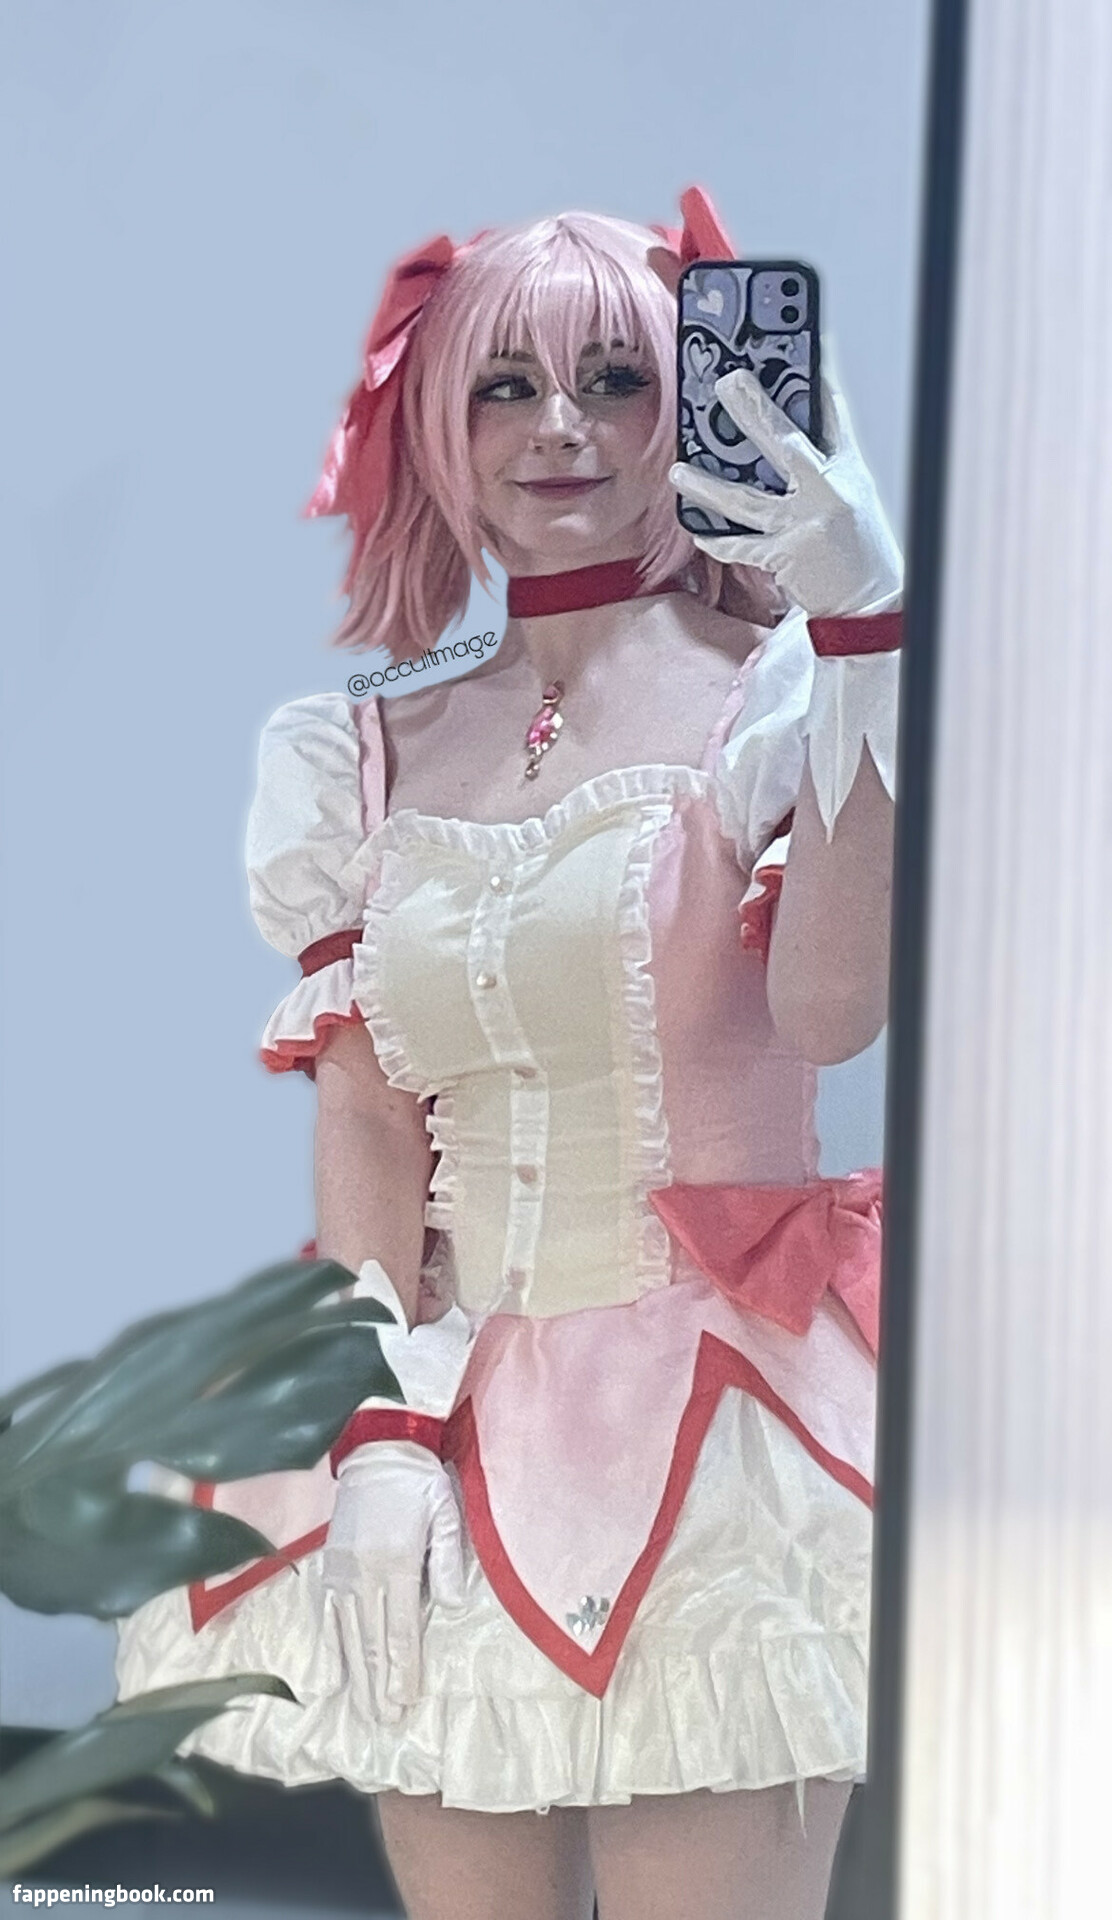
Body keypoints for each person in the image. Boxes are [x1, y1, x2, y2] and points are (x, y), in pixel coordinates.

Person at [116, 187, 901, 1920]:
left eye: (618, 380)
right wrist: (381, 1426)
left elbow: (834, 1012)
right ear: (440, 423)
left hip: (723, 1414)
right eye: (507, 385)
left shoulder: (777, 690)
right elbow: (369, 1121)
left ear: (685, 411)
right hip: (447, 1413)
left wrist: (863, 633)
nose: (562, 427)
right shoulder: (364, 752)